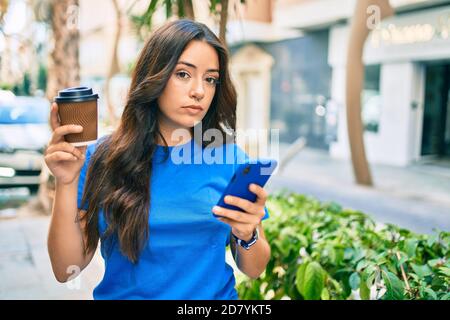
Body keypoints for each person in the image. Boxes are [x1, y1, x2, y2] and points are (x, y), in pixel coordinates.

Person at [45, 19, 271, 300]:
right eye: (183, 74)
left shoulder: (230, 160)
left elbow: (255, 268)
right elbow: (66, 269)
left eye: (210, 79)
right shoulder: (101, 159)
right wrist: (65, 182)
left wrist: (247, 233)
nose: (199, 91)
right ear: (155, 75)